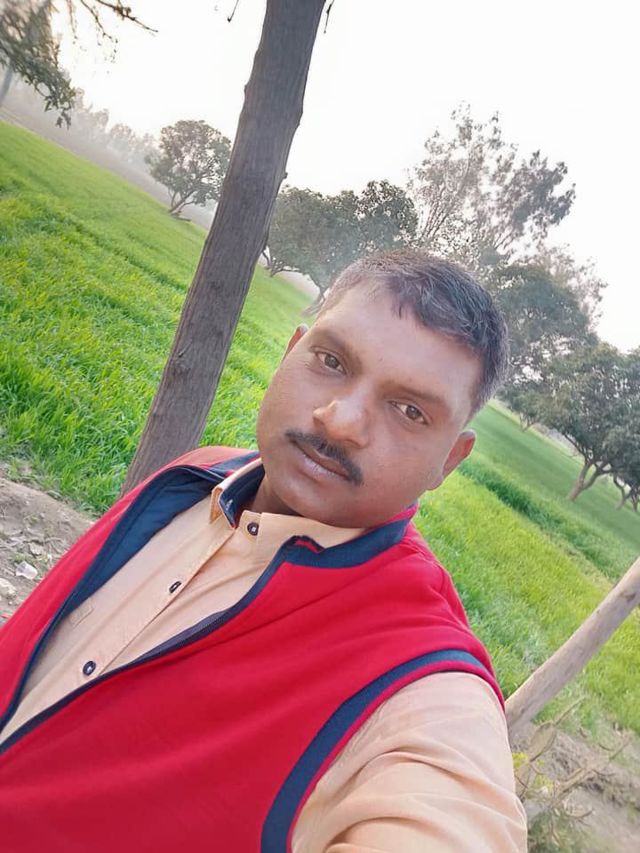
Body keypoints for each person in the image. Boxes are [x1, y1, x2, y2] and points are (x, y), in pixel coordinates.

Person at [0, 250, 527, 851]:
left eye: (410, 411)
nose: (340, 420)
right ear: (290, 353)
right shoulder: (195, 477)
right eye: (331, 361)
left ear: (449, 461)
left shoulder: (417, 677)